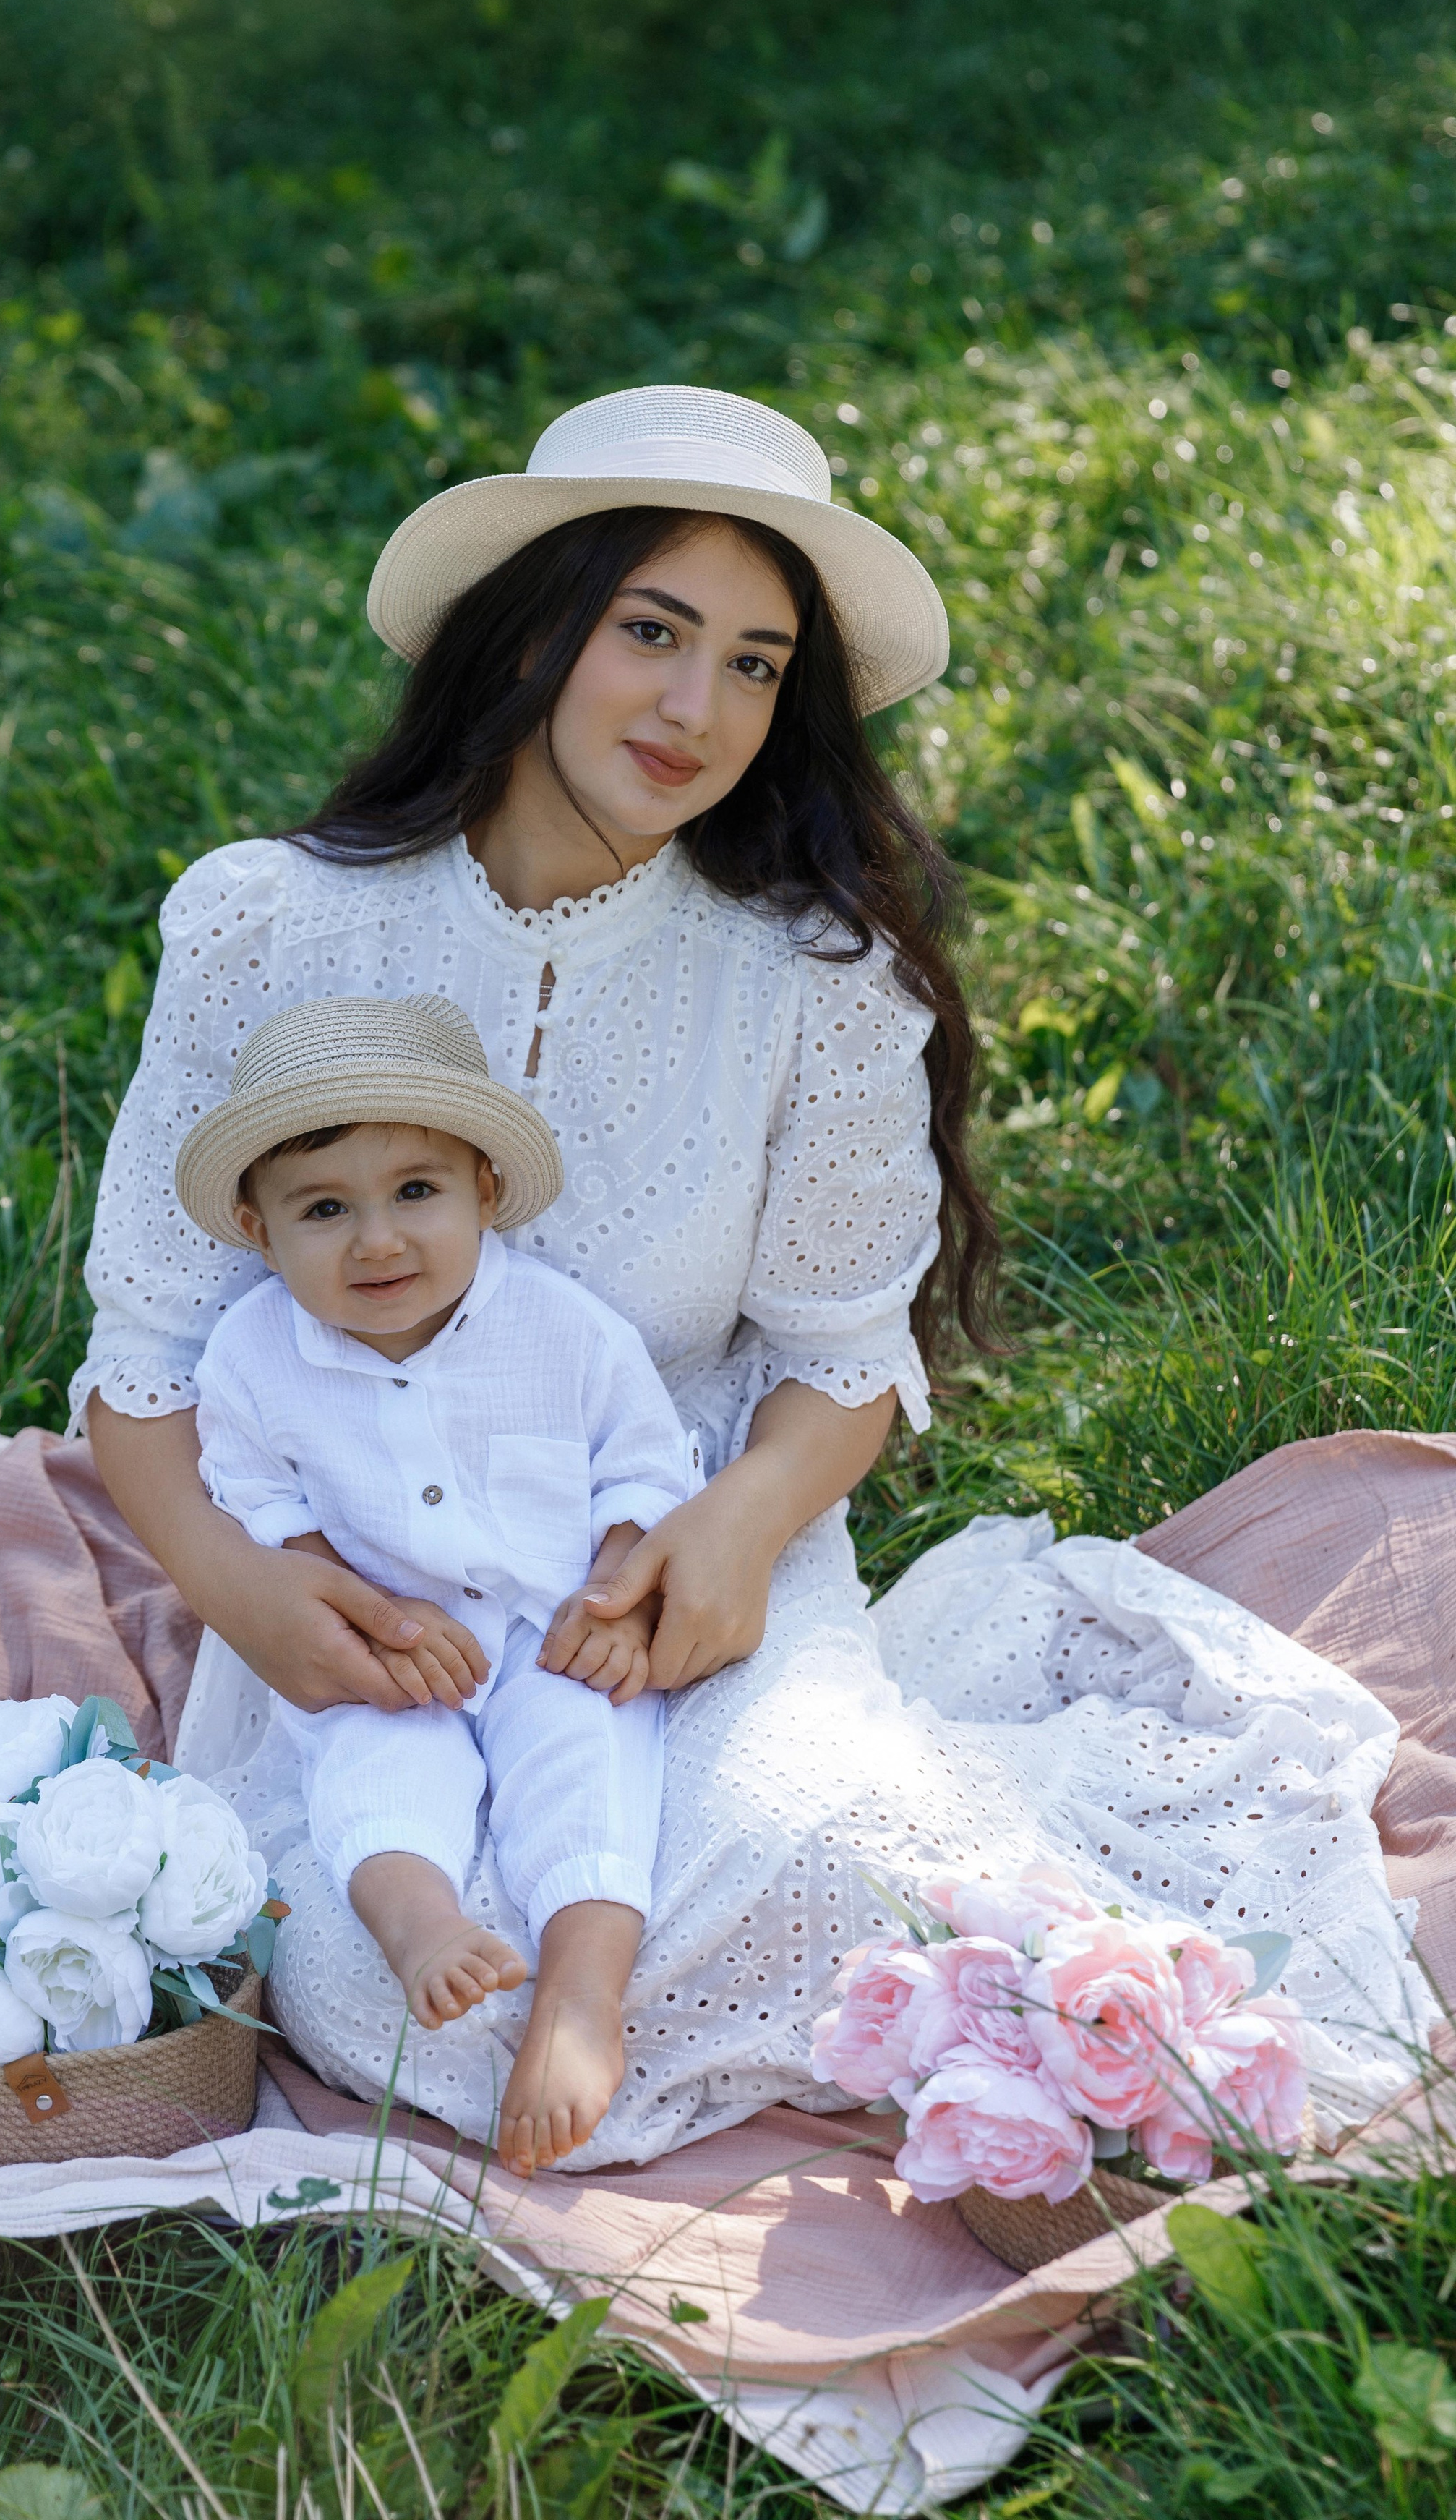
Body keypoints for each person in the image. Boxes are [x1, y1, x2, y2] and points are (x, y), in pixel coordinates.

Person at [77, 383, 1424, 2166]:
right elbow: (150, 1352)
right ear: (532, 631)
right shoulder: (270, 923)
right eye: (649, 633)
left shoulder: (805, 978)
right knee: (366, 1984)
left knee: (820, 1866)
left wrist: (734, 1531)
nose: (695, 710)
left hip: (670, 1544)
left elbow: (837, 1355)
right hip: (360, 1564)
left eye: (753, 665)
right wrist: (244, 1592)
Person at [176, 990, 701, 2171]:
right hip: (383, 1647)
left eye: (417, 1191)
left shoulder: (566, 1331)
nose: (378, 1241)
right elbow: (261, 1504)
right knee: (370, 1758)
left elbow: (642, 1468)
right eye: (325, 1209)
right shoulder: (249, 1358)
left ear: (485, 1191)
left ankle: (581, 1989)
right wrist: (359, 1614)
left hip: (546, 1623)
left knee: (589, 1743)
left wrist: (616, 1600)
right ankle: (421, 1929)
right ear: (258, 1231)